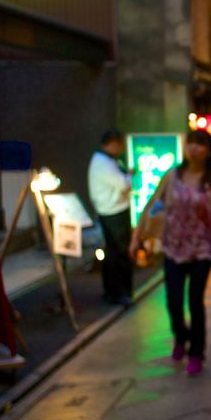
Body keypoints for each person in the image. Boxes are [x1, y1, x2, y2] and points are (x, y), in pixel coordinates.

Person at [131, 129, 211, 375]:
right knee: (173, 301)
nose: (194, 148)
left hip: (203, 247)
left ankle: (196, 352)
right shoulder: (172, 175)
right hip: (173, 246)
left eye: (200, 144)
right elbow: (151, 204)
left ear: (209, 151)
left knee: (194, 300)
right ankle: (181, 337)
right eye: (191, 142)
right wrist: (136, 237)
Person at [88, 128, 133, 305]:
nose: (121, 148)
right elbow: (123, 185)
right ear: (113, 144)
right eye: (119, 144)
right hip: (114, 211)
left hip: (108, 210)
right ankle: (120, 292)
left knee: (112, 252)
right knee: (119, 253)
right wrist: (129, 176)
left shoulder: (101, 160)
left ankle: (112, 292)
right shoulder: (104, 162)